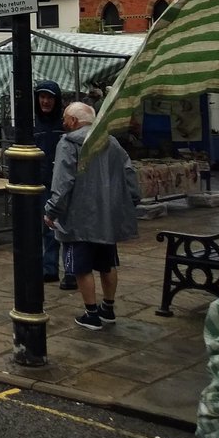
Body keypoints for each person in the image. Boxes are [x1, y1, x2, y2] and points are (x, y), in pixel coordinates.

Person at [43, 101, 141, 331]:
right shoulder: (111, 141)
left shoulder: (68, 143)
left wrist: (51, 210)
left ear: (74, 122)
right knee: (108, 263)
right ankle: (108, 308)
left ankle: (91, 313)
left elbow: (63, 182)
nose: (63, 122)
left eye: (66, 118)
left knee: (80, 266)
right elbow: (129, 174)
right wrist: (129, 202)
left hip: (78, 218)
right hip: (106, 218)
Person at [32, 80, 65, 284]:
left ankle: (71, 270)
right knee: (47, 226)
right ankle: (50, 268)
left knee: (67, 227)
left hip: (63, 181)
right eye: (42, 97)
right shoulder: (32, 124)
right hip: (41, 182)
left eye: (50, 97)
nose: (45, 101)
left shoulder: (64, 124)